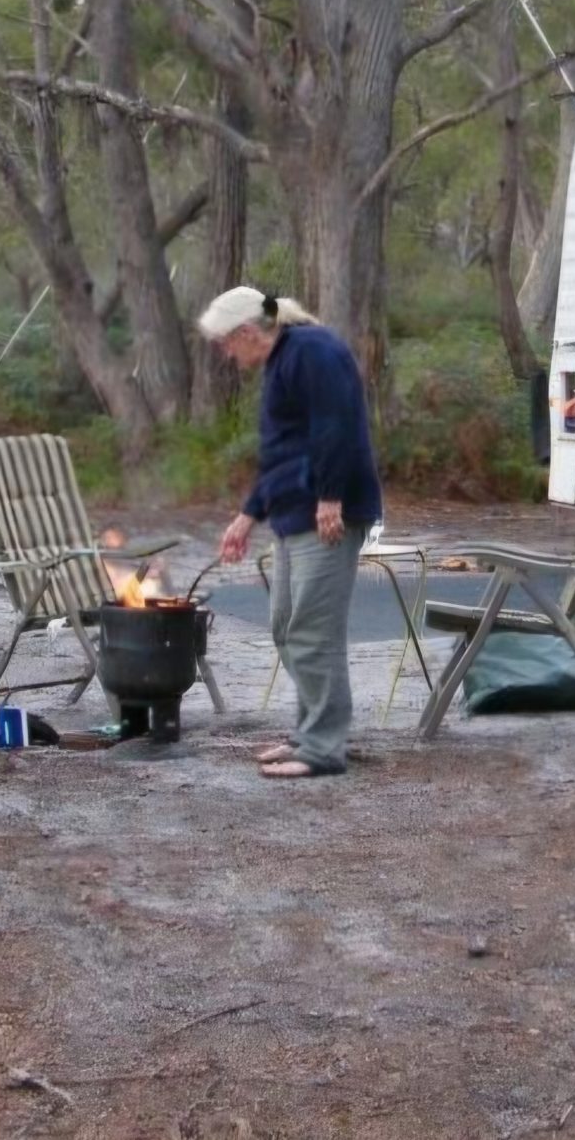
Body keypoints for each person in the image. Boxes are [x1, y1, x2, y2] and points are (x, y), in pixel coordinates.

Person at [201, 286, 383, 779]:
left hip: (325, 514)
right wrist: (248, 515)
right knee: (287, 626)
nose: (226, 354)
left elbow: (336, 427)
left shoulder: (312, 351)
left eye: (225, 342)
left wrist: (330, 496)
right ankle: (309, 734)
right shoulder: (282, 361)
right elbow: (282, 453)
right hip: (292, 515)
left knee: (313, 630)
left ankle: (324, 749)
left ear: (246, 332)